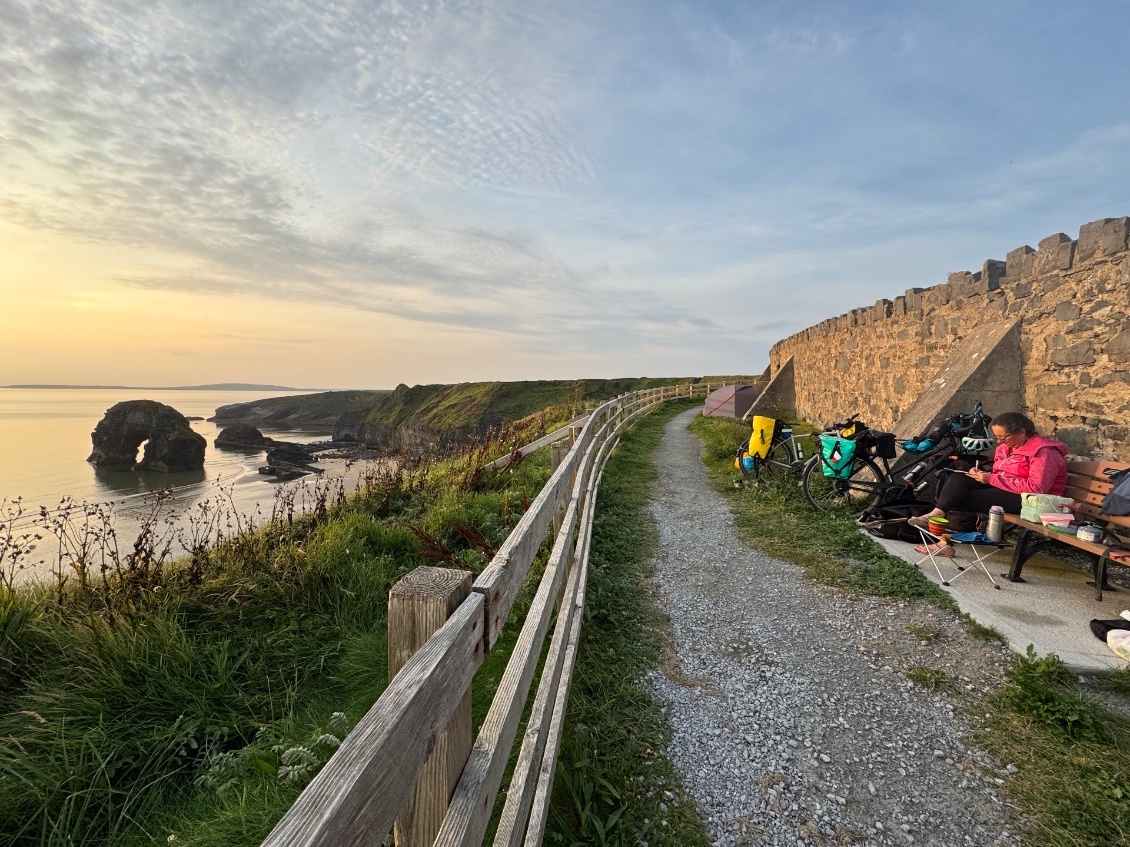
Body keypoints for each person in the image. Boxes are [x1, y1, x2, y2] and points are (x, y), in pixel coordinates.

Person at [911, 412, 1069, 555]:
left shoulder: (1044, 452)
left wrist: (991, 479)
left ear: (1021, 432)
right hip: (1007, 490)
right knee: (958, 479)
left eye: (1003, 437)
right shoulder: (1007, 448)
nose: (999, 441)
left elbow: (1037, 487)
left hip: (1031, 500)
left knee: (961, 497)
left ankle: (944, 542)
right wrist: (982, 474)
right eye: (997, 437)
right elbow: (1003, 474)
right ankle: (937, 514)